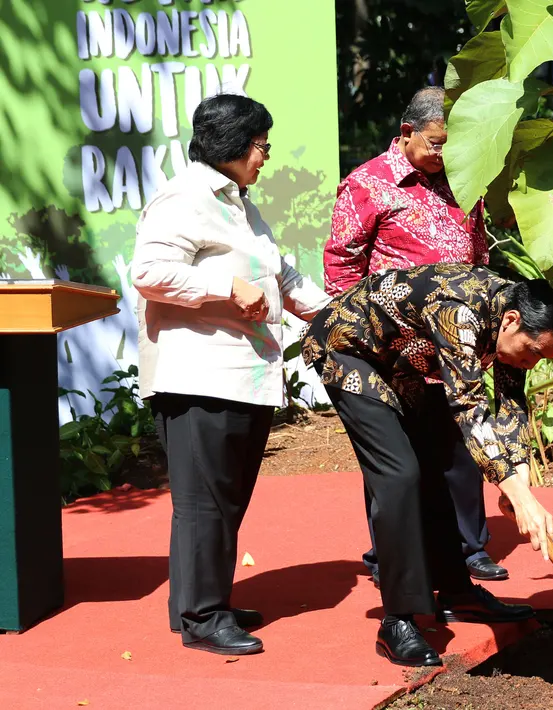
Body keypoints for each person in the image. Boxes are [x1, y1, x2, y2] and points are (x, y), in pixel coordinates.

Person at [132, 94, 332, 655]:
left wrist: (336, 310)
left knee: (224, 500)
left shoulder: (239, 202)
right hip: (200, 374)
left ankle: (198, 602)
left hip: (243, 373)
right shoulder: (185, 196)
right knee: (205, 503)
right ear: (233, 144)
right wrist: (223, 289)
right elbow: (148, 271)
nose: (265, 154)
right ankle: (203, 616)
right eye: (260, 143)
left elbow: (279, 272)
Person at [299, 265, 553, 667]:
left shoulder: (510, 319)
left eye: (544, 358)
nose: (534, 363)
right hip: (350, 349)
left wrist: (521, 483)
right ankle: (397, 621)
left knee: (439, 464)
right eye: (534, 352)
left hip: (399, 361)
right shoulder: (460, 311)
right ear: (512, 322)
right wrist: (513, 490)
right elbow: (467, 404)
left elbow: (511, 402)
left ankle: (456, 592)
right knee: (398, 475)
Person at [323, 88, 507, 584]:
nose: (445, 153)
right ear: (407, 134)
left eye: (454, 143)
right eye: (437, 143)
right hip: (393, 347)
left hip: (456, 341)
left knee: (461, 446)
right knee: (395, 458)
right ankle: (393, 556)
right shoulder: (368, 184)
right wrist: (368, 331)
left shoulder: (463, 180)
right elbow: (341, 264)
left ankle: (468, 550)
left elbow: (479, 253)